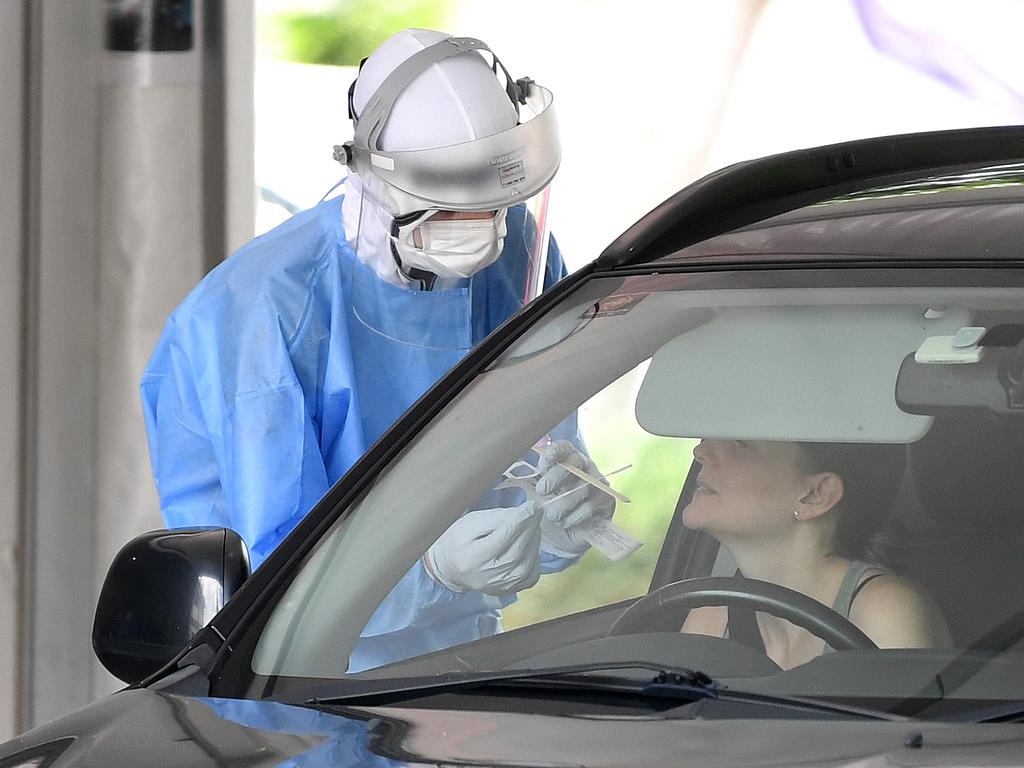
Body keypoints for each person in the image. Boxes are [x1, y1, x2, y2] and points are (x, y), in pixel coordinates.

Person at [140, 28, 611, 670]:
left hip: (465, 666)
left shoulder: (519, 257)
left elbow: (543, 442)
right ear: (370, 173)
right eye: (448, 206)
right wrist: (428, 569)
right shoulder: (263, 311)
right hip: (300, 675)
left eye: (495, 205)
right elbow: (277, 573)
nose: (482, 232)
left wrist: (563, 510)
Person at [681, 439, 951, 669]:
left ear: (815, 494)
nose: (700, 450)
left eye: (742, 443)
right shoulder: (714, 612)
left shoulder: (886, 609)